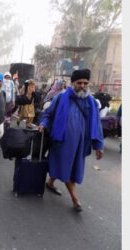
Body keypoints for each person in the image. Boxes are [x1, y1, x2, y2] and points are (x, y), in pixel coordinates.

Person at [38, 69, 104, 212]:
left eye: (85, 83)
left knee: (70, 168)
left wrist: (99, 145)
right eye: (79, 82)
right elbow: (48, 114)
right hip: (62, 141)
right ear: (73, 83)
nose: (82, 86)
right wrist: (43, 124)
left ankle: (50, 182)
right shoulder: (61, 97)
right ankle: (75, 199)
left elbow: (97, 124)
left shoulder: (91, 102)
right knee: (66, 167)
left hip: (81, 144)